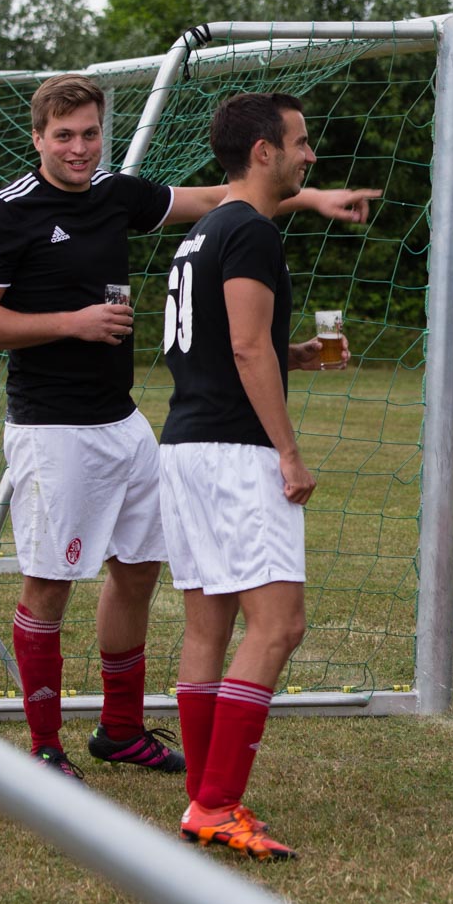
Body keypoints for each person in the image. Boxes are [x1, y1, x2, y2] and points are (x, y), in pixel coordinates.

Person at [0, 75, 376, 780]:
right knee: (51, 584)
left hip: (124, 422)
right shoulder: (6, 213)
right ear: (38, 139)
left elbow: (221, 197)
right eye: (64, 136)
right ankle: (45, 746)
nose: (80, 148)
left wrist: (313, 198)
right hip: (51, 427)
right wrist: (73, 323)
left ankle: (120, 729)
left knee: (139, 569)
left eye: (91, 133)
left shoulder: (115, 193)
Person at [159, 91, 349, 861]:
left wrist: (292, 354)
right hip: (234, 454)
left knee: (208, 626)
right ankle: (216, 803)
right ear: (263, 151)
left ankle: (203, 794)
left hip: (186, 446)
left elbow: (217, 343)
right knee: (278, 626)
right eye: (300, 142)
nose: (310, 155)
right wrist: (289, 454)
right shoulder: (251, 231)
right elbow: (243, 348)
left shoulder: (202, 232)